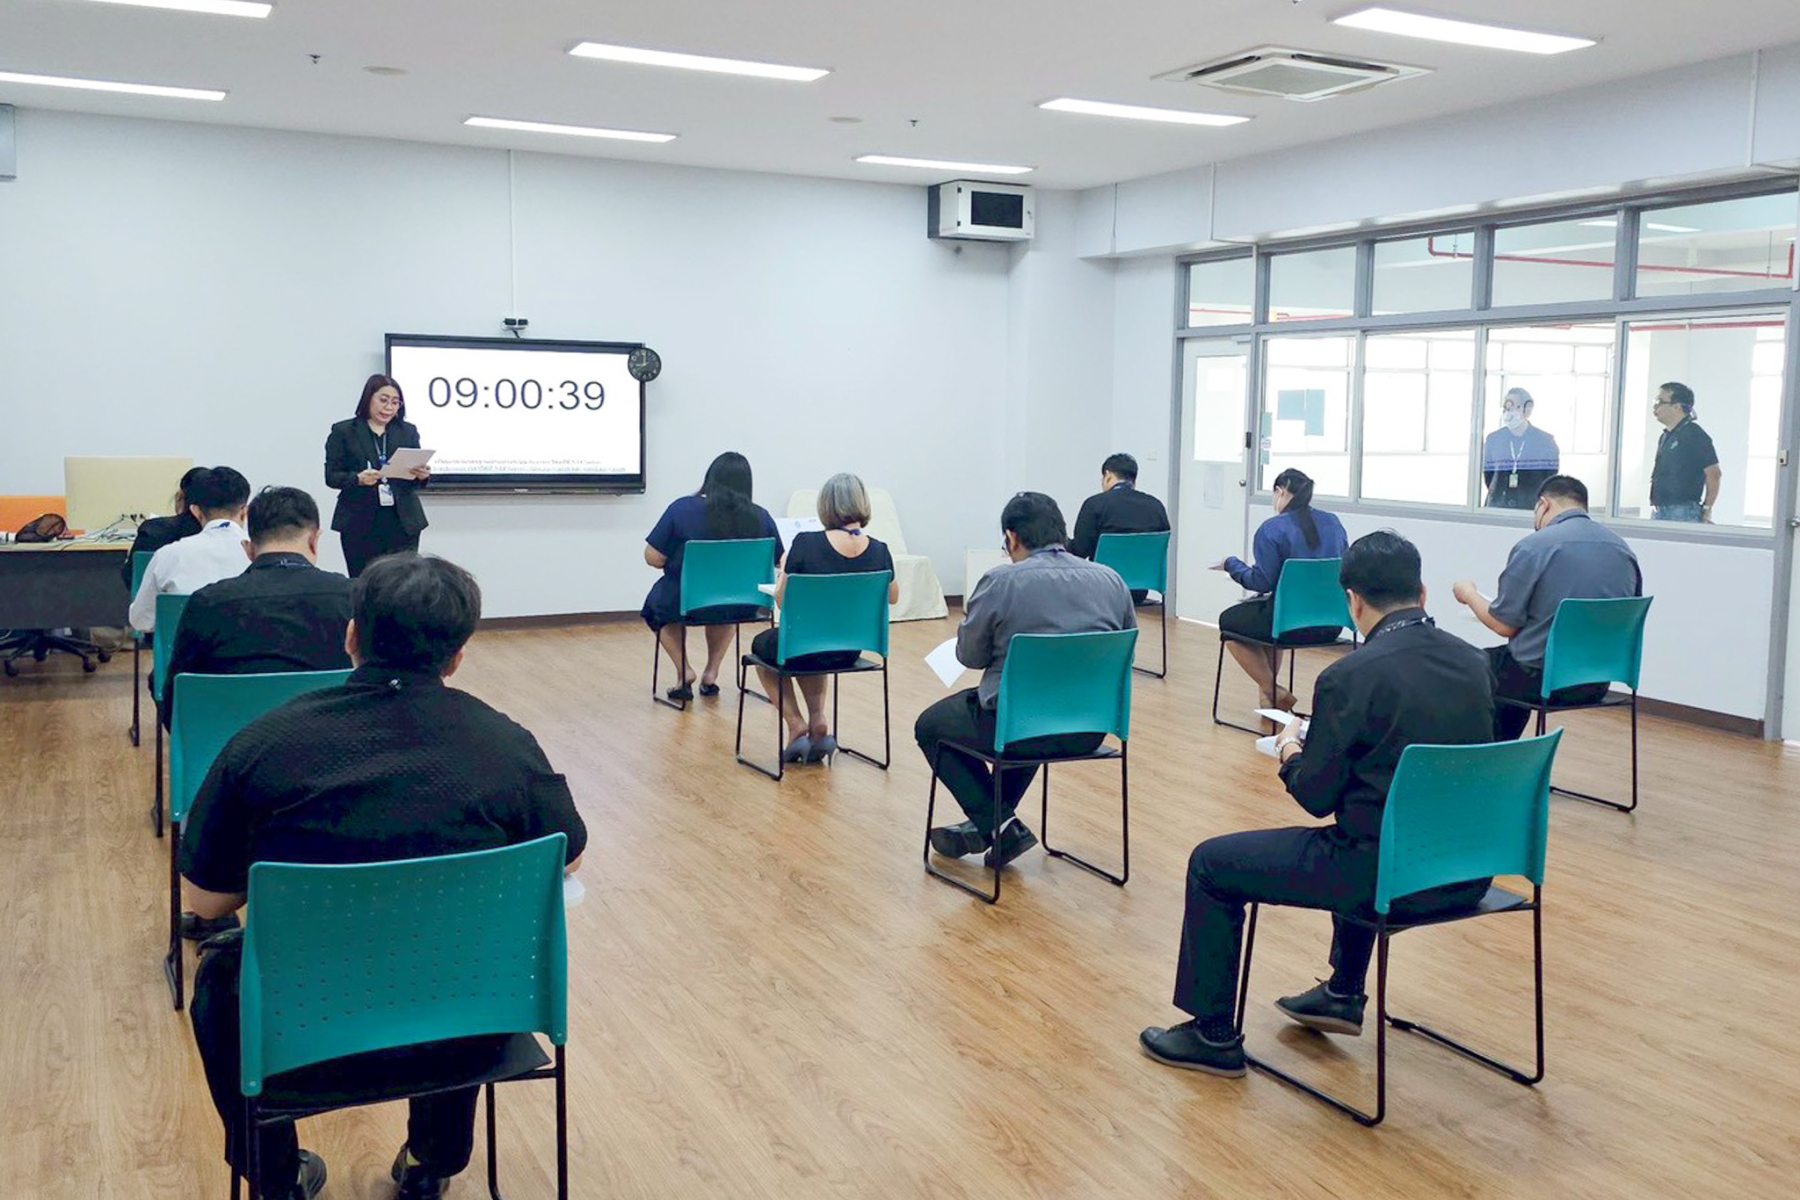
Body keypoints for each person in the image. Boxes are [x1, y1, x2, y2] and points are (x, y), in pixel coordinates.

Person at [179, 553, 588, 1200]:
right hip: (465, 1026)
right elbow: (566, 852)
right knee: (466, 950)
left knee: (221, 975)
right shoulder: (505, 744)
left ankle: (276, 1177)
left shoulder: (264, 744)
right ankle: (435, 1158)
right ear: (458, 656)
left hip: (299, 1031)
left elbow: (205, 900)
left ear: (351, 636)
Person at [1140, 531, 1495, 1077]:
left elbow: (1315, 797)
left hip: (1384, 878)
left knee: (1212, 864)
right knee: (1373, 818)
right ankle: (1342, 992)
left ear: (1353, 601)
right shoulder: (1476, 664)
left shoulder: (1349, 676)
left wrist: (1290, 750)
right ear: (1422, 593)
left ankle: (1211, 1035)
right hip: (1466, 871)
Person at [917, 492, 1136, 869]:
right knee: (1029, 709)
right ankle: (993, 824)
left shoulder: (1001, 582)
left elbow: (970, 656)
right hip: (1089, 728)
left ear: (1012, 537)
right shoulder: (1111, 580)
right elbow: (1125, 656)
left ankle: (999, 825)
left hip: (1021, 725)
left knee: (932, 726)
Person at [1452, 475, 1642, 741]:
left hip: (1541, 680)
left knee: (1468, 667)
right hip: (1597, 682)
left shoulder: (1535, 546)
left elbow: (1503, 625)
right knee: (1506, 667)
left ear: (1544, 504)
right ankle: (1510, 757)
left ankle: (1491, 757)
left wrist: (1469, 594)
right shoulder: (1622, 550)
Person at [162, 486, 352, 731]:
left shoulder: (208, 603)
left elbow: (176, 705)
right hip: (337, 744)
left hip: (231, 745)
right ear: (315, 541)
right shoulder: (354, 597)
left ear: (248, 549)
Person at [751, 473, 898, 764]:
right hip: (849, 650)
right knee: (813, 644)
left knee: (763, 645)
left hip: (805, 647)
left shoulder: (806, 545)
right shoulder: (880, 550)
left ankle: (796, 723)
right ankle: (818, 718)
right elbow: (892, 597)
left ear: (826, 505)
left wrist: (784, 569)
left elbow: (782, 601)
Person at [642, 452, 784, 702]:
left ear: (710, 478)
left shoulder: (682, 509)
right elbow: (779, 560)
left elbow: (654, 557)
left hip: (688, 602)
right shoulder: (760, 516)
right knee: (726, 602)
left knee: (657, 605)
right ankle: (711, 673)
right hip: (743, 603)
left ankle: (684, 670)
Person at [1212, 468, 1350, 712]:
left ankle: (1273, 691)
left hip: (1288, 625)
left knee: (1229, 622)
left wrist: (1231, 564)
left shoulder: (1272, 529)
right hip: (1331, 624)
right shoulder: (1333, 523)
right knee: (1267, 615)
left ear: (1280, 491)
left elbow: (1261, 582)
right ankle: (1268, 701)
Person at [325, 374, 431, 577]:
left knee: (403, 581)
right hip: (359, 520)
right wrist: (358, 479)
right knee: (363, 579)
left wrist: (421, 475)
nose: (389, 407)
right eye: (383, 400)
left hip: (402, 520)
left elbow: (414, 481)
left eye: (395, 402)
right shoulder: (344, 431)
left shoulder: (407, 431)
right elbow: (331, 476)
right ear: (368, 399)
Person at [129, 466, 253, 634]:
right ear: (245, 512)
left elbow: (141, 621)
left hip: (184, 650)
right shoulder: (261, 555)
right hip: (248, 649)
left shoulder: (169, 554)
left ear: (195, 511)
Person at [1069, 452, 1171, 602]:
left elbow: (1080, 551)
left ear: (1108, 476)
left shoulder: (1094, 504)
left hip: (1103, 586)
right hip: (1140, 589)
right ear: (1134, 480)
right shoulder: (1156, 506)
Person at [120, 466, 207, 587]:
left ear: (180, 496)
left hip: (158, 599)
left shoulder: (153, 530)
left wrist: (128, 560)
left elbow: (133, 580)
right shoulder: (223, 537)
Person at [1649, 381, 1720, 522]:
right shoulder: (1666, 436)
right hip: (1660, 510)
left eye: (1659, 402)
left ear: (1677, 407)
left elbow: (1714, 473)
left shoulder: (1694, 434)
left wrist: (1707, 508)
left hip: (1682, 511)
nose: (1655, 407)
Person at [1481, 388, 1561, 510]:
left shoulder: (1545, 441)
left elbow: (1550, 478)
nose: (1508, 413)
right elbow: (1489, 476)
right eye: (1505, 408)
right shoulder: (1494, 439)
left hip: (1530, 509)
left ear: (1527, 410)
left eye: (1513, 407)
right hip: (1497, 506)